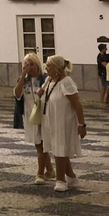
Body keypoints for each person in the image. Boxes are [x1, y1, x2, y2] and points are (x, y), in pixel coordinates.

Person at [40, 55, 86, 192]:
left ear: (56, 68)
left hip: (63, 121)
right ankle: (71, 176)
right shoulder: (49, 81)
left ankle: (61, 179)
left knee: (60, 149)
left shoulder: (67, 82)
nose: (46, 68)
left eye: (48, 65)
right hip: (50, 120)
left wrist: (81, 124)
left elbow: (77, 104)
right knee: (57, 148)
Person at [13, 52, 51, 183]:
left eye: (31, 64)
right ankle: (50, 170)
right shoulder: (23, 80)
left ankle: (40, 173)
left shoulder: (45, 78)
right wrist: (23, 75)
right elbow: (17, 95)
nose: (29, 68)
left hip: (43, 114)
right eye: (26, 65)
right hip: (30, 114)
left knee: (41, 144)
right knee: (38, 143)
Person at [96, 40, 109, 107]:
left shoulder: (106, 55)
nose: (106, 49)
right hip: (103, 73)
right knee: (104, 86)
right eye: (105, 48)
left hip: (107, 73)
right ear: (102, 49)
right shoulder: (100, 57)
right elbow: (105, 65)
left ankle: (107, 98)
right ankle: (102, 100)